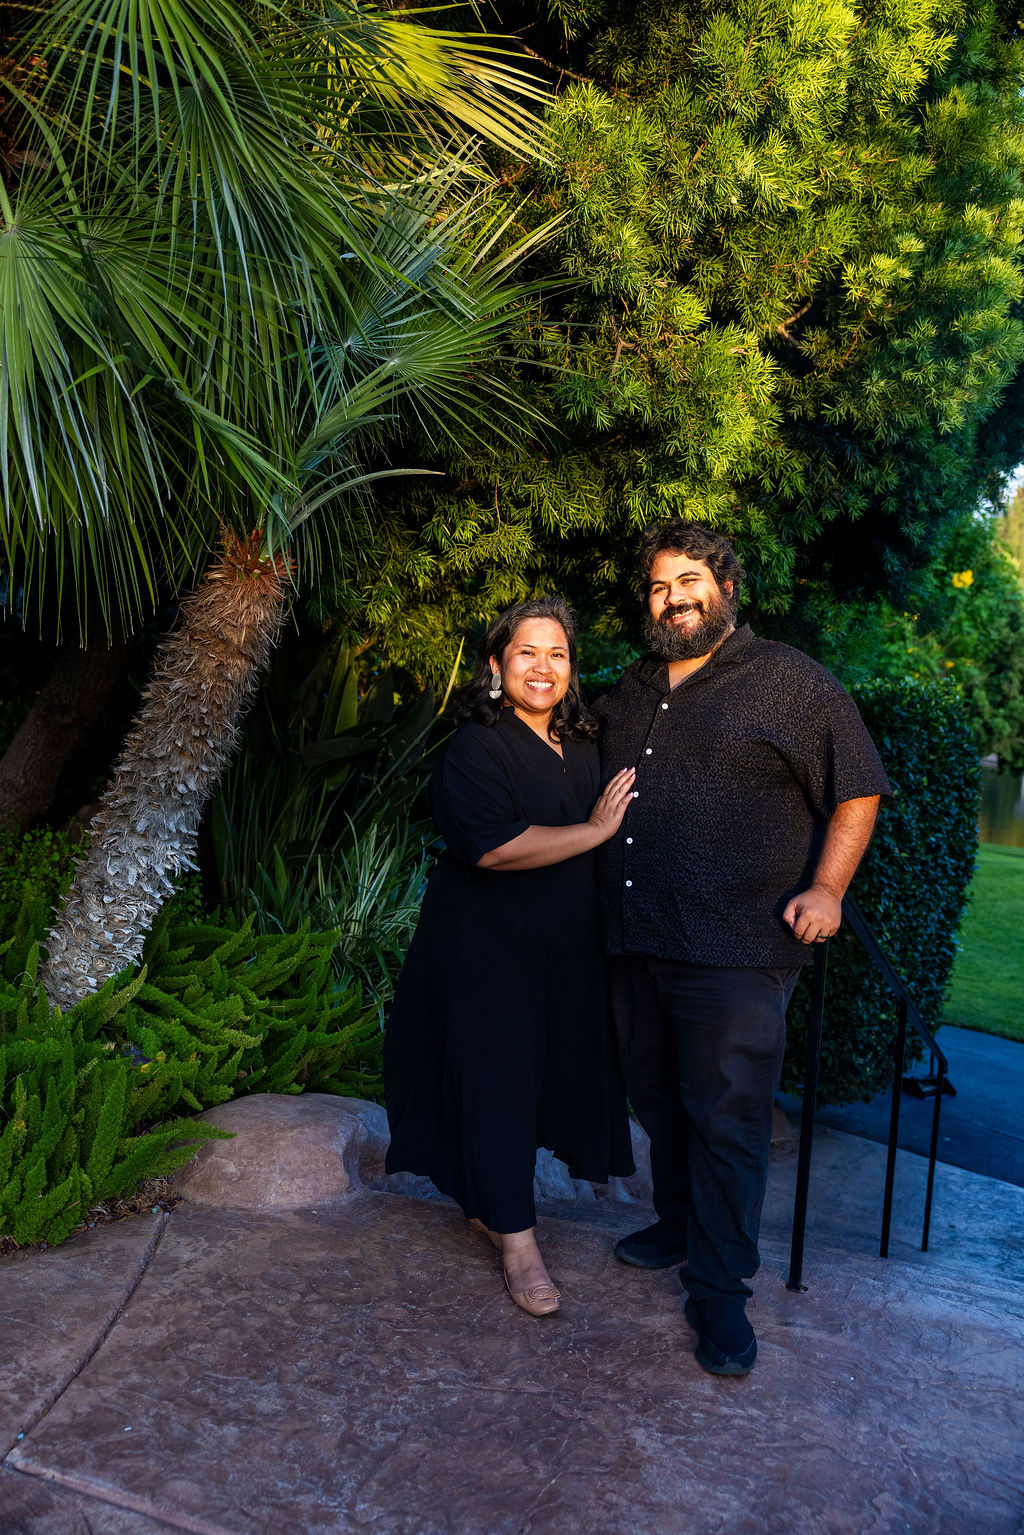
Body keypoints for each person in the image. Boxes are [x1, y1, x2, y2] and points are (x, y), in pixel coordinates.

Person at [595, 520, 892, 1376]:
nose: (673, 598)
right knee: (658, 1098)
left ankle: (721, 1290)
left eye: (689, 580)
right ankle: (679, 1222)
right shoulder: (634, 684)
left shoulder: (790, 681)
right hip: (635, 937)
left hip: (737, 946)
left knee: (728, 1119)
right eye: (659, 585)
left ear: (727, 588)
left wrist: (828, 889)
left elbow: (858, 787)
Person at [384, 595, 636, 1318]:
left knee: (541, 1082)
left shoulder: (583, 745)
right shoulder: (477, 746)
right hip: (485, 950)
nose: (543, 666)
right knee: (498, 1080)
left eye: (558, 654)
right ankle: (520, 1246)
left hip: (564, 951)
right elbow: (494, 847)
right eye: (528, 652)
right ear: (496, 665)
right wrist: (593, 833)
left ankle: (487, 1203)